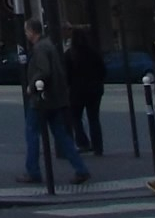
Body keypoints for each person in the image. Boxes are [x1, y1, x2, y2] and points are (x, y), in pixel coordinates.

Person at [17, 19, 90, 186]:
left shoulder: (40, 48)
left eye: (26, 30)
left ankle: (33, 171)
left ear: (31, 31)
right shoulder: (49, 45)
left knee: (32, 133)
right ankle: (81, 169)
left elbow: (44, 71)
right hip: (56, 99)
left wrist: (32, 86)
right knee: (62, 136)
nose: (26, 34)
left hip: (42, 100)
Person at [65, 27, 104, 156]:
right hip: (94, 89)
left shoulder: (71, 54)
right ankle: (98, 147)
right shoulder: (93, 52)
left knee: (75, 118)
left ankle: (83, 142)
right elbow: (103, 71)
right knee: (94, 118)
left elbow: (66, 75)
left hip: (77, 91)